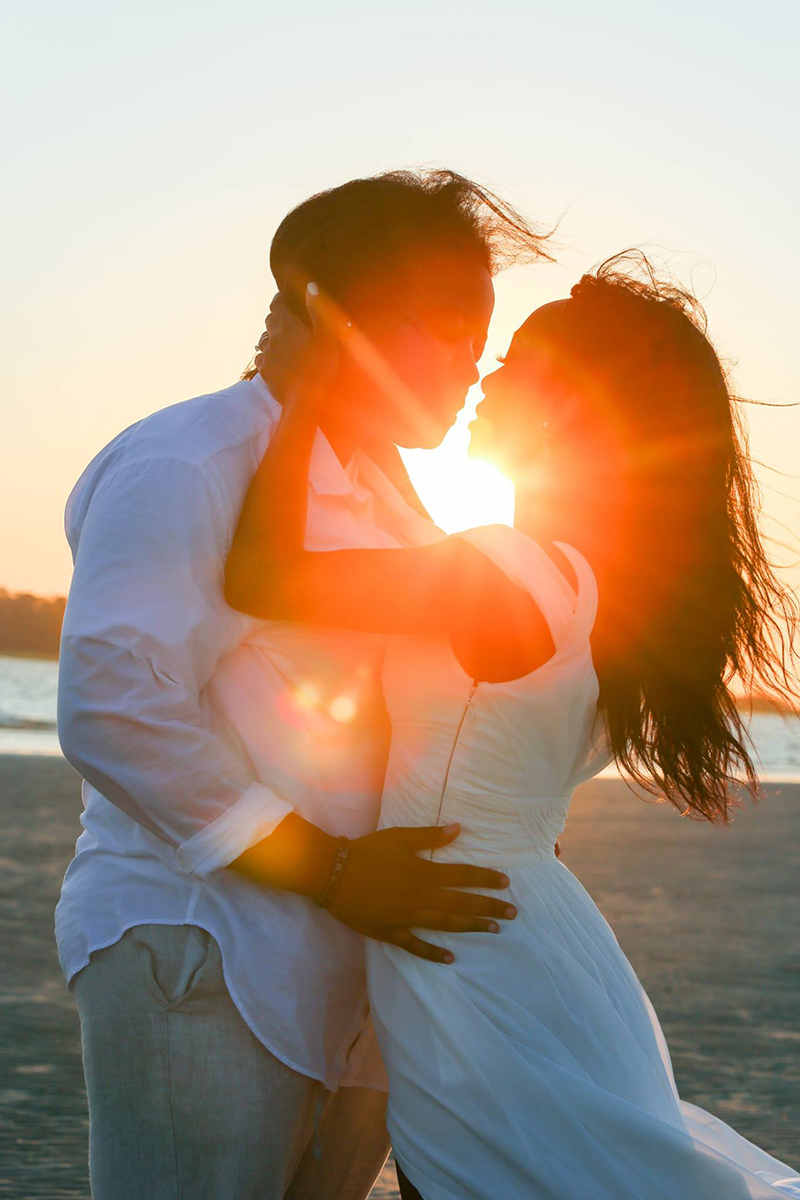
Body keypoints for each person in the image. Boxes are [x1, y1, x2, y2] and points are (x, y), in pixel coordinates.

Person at [224, 255, 800, 1198]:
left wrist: (313, 393)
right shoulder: (616, 595)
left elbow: (263, 575)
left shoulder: (509, 571)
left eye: (520, 362)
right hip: (531, 937)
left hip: (471, 950)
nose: (488, 374)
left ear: (573, 406)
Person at [55, 168, 551, 1200]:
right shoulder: (189, 461)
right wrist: (323, 868)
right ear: (347, 318)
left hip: (352, 969)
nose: (472, 365)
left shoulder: (378, 488)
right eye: (449, 326)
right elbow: (113, 703)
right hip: (202, 949)